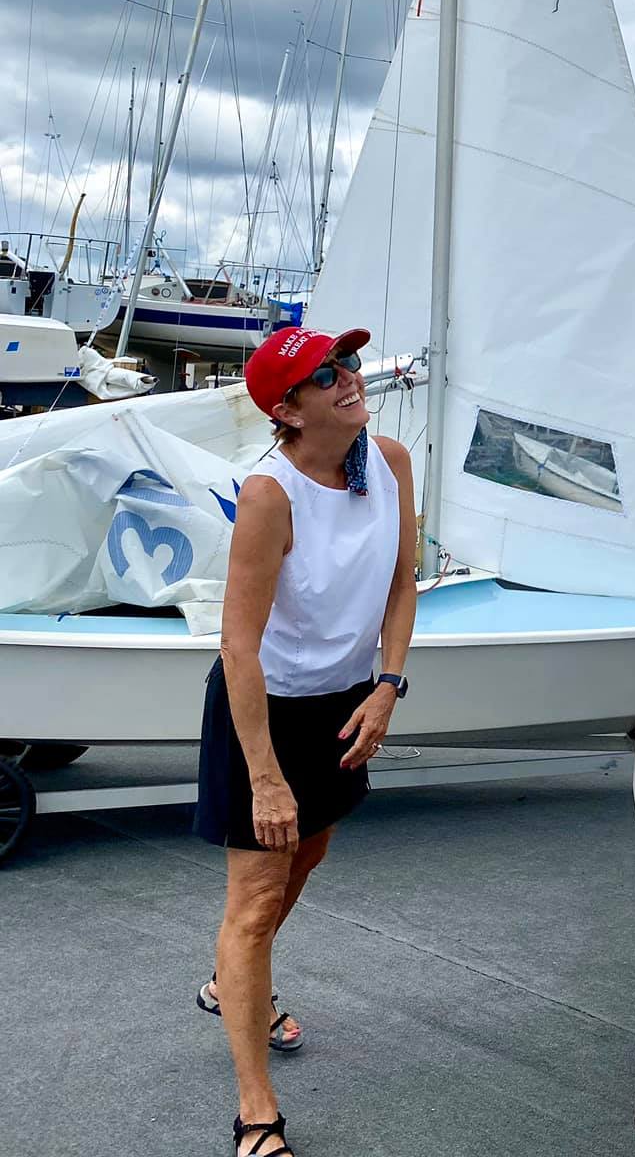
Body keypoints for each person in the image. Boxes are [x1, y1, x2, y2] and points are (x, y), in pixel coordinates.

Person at [195, 326, 418, 1157]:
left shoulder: (388, 462)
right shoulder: (271, 494)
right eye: (327, 374)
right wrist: (265, 777)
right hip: (265, 710)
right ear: (287, 410)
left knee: (311, 852)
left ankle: (229, 982)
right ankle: (257, 1112)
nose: (351, 378)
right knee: (255, 901)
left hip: (346, 702)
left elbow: (401, 583)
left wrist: (388, 686)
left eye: (349, 362)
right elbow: (238, 647)